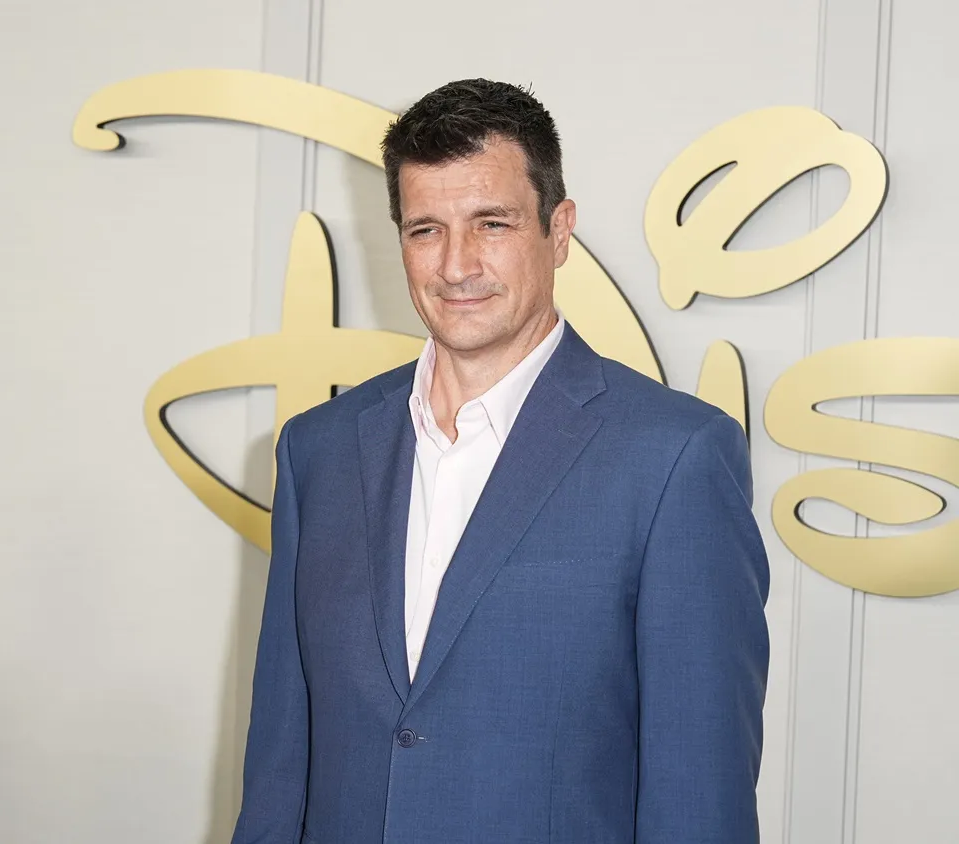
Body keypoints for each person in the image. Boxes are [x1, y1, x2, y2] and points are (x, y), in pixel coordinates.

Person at [231, 79, 769, 844]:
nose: (456, 266)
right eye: (425, 229)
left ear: (559, 230)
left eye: (491, 223)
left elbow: (699, 794)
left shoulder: (674, 457)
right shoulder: (317, 449)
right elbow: (280, 761)